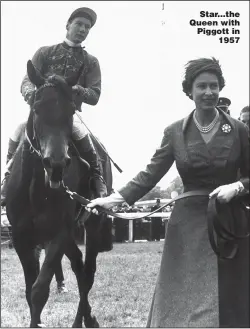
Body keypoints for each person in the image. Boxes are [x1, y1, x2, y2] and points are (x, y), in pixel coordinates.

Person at [86, 57, 249, 327]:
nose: (209, 92)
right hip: (186, 226)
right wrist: (112, 200)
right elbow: (150, 174)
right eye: (201, 87)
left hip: (227, 223)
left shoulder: (239, 130)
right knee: (182, 296)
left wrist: (238, 186)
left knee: (227, 298)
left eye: (214, 86)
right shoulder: (174, 132)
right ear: (189, 91)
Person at [1, 7, 107, 206]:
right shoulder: (45, 52)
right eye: (79, 24)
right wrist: (31, 94)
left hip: (67, 115)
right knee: (18, 131)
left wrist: (75, 89)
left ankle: (97, 175)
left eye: (87, 27)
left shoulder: (91, 62)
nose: (83, 29)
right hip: (42, 113)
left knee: (82, 133)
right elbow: (26, 81)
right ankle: (7, 175)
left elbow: (94, 95)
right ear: (68, 25)